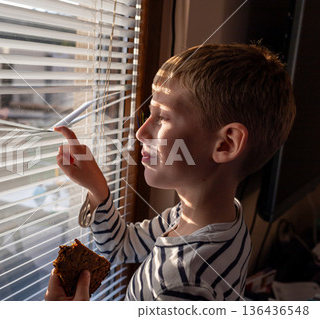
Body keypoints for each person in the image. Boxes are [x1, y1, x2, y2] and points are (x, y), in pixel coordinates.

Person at [45, 44, 296, 301]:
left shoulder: (183, 283)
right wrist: (97, 187)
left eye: (162, 117)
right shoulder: (208, 217)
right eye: (148, 114)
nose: (141, 133)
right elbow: (119, 247)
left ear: (225, 144)